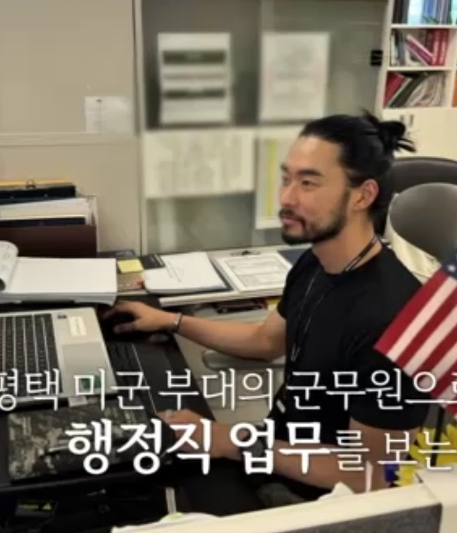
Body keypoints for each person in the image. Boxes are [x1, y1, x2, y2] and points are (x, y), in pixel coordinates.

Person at [106, 112, 430, 505]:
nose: (287, 198)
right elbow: (265, 340)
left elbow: (373, 474)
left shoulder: (397, 319)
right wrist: (170, 321)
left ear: (363, 196)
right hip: (275, 451)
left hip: (319, 498)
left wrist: (231, 441)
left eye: (308, 183)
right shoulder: (317, 262)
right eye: (286, 179)